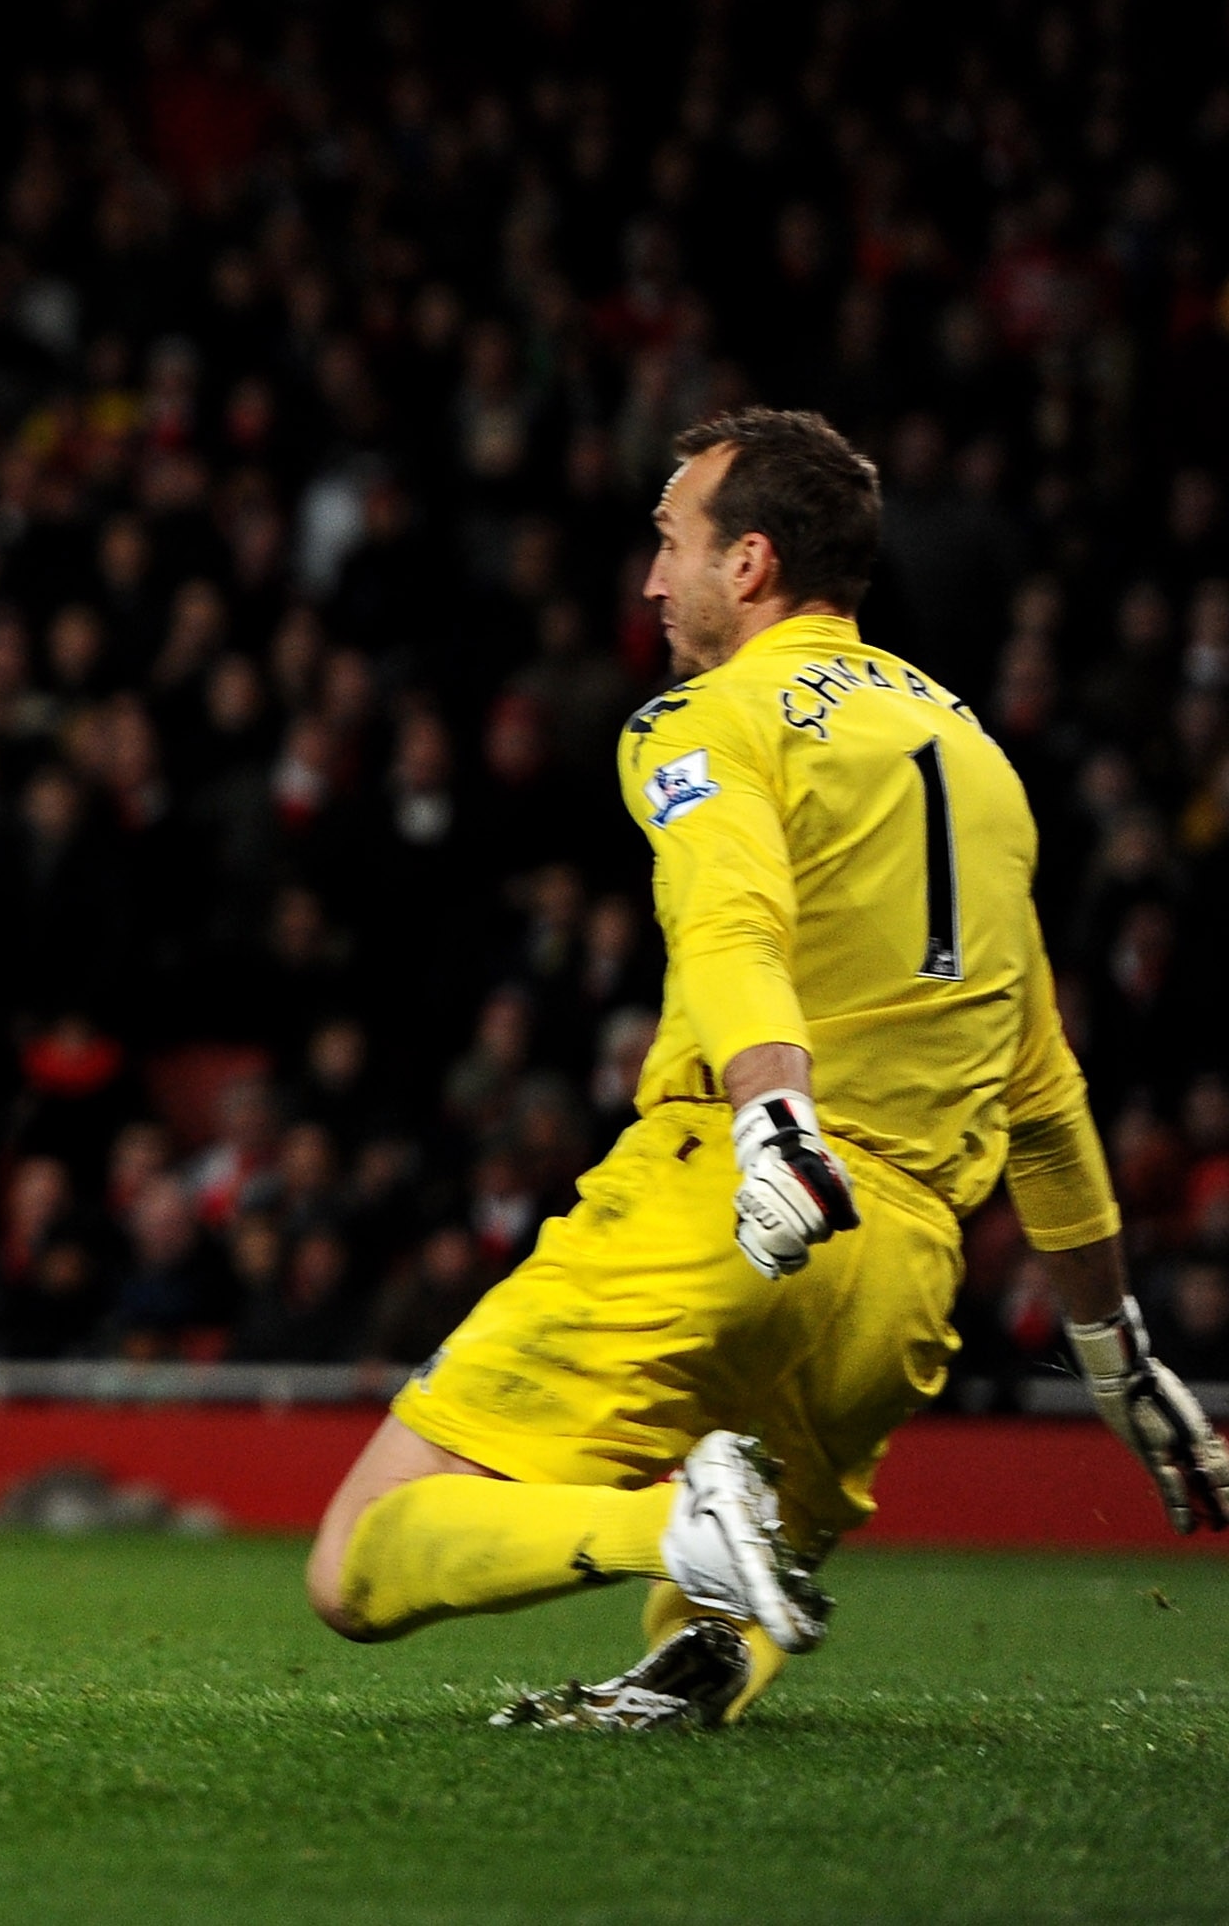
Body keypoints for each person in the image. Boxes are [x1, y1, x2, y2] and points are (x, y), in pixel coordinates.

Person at [301, 409, 1229, 1730]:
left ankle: (672, 1528)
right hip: (902, 1268)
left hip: (730, 1194)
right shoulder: (979, 759)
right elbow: (1043, 1088)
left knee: (357, 1557)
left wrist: (775, 1125)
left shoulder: (706, 719)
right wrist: (1116, 1351)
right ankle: (706, 1646)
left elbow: (735, 925)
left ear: (748, 564)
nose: (649, 579)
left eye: (669, 542)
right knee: (735, 1608)